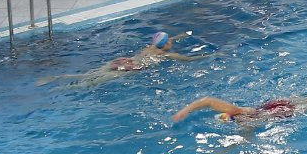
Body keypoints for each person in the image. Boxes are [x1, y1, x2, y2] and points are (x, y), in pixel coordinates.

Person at [173, 73, 307, 127]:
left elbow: (207, 101)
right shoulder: (240, 113)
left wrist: (185, 111)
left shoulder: (241, 117)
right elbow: (207, 101)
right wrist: (185, 110)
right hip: (275, 105)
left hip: (283, 111)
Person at [40, 30, 201, 88]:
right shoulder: (165, 55)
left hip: (123, 61)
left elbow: (167, 39)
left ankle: (59, 77)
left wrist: (182, 36)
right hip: (129, 68)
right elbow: (188, 59)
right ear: (165, 45)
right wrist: (209, 56)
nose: (172, 42)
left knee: (90, 74)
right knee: (93, 82)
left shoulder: (152, 46)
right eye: (170, 41)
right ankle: (61, 89)